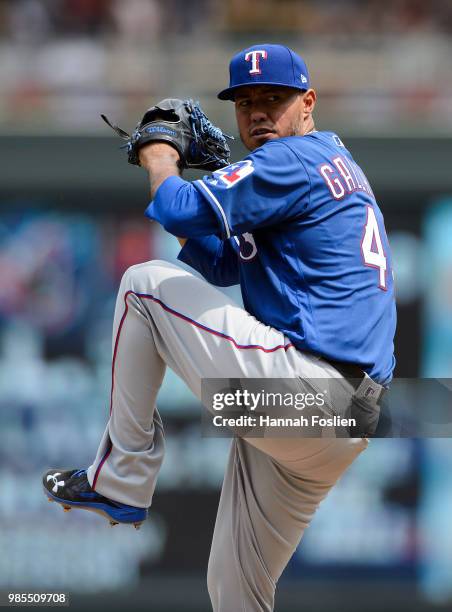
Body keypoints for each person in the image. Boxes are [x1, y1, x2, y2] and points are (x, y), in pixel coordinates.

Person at [43, 44, 396, 611]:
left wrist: (159, 150)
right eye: (246, 101)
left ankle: (121, 480)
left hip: (310, 392)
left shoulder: (295, 160)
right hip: (342, 420)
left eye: (274, 99)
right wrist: (210, 197)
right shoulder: (325, 164)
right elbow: (223, 260)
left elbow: (178, 207)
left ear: (308, 103)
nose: (258, 112)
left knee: (142, 285)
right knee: (235, 592)